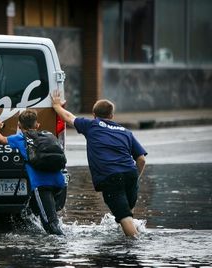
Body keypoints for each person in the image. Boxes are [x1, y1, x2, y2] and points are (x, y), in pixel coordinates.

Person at [51, 90, 147, 237]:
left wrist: (57, 106)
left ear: (94, 114)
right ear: (112, 116)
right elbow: (141, 159)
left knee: (124, 217)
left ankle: (134, 250)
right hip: (130, 174)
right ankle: (130, 239)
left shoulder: (92, 125)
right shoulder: (125, 132)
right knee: (128, 212)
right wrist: (135, 178)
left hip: (111, 177)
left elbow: (69, 117)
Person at [0, 109, 66, 235]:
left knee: (50, 224)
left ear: (19, 126)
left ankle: (59, 249)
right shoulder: (48, 135)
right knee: (38, 213)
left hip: (42, 186)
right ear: (37, 125)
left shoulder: (20, 138)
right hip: (59, 183)